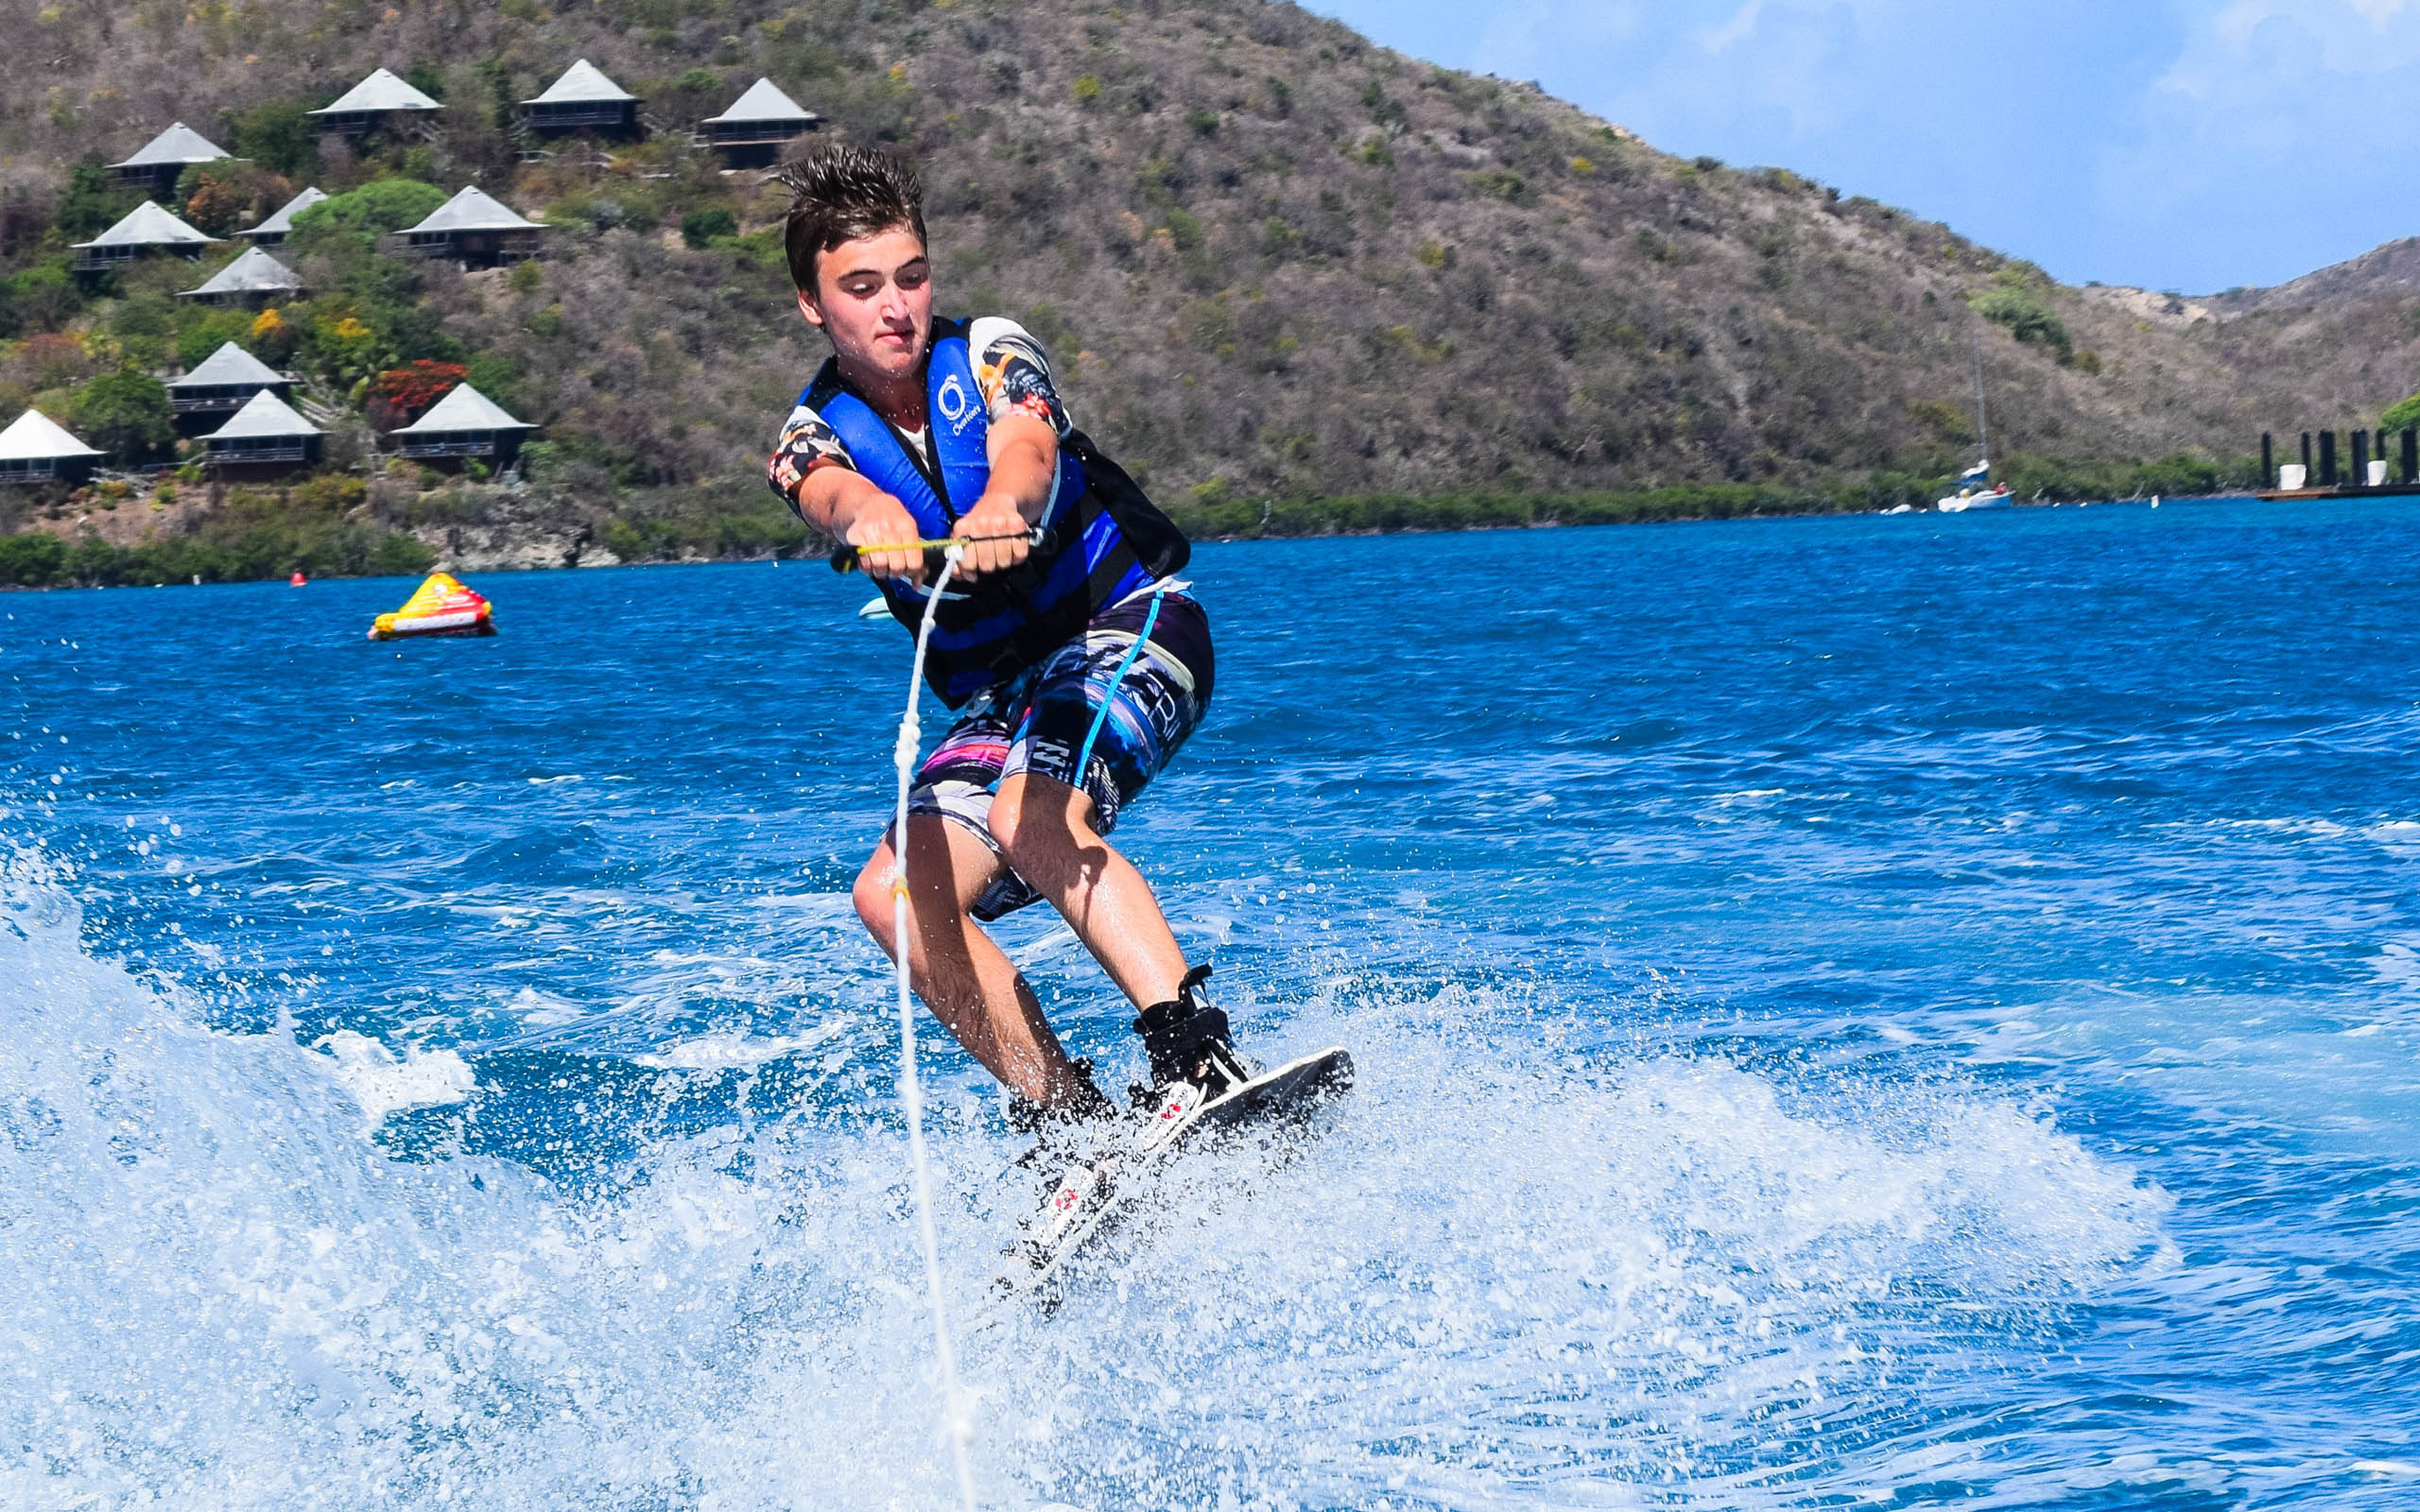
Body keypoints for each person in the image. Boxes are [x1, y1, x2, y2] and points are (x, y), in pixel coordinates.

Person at [764, 145, 1246, 1143]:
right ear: (814, 305)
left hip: (1132, 627)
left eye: (910, 277)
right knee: (891, 893)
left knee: (1034, 811)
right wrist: (863, 516)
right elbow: (826, 488)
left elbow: (1026, 446)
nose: (894, 306)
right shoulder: (811, 433)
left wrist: (999, 504)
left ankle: (1195, 1052)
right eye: (860, 288)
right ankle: (1068, 1117)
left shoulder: (990, 350)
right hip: (1008, 699)